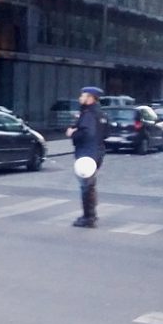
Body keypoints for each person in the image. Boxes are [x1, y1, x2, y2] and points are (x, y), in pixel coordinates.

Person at [66, 86, 108, 228]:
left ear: (90, 98)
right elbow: (106, 134)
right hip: (97, 152)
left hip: (87, 154)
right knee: (90, 185)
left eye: (83, 95)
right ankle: (91, 215)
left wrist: (72, 133)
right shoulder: (100, 113)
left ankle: (88, 217)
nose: (80, 98)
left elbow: (86, 133)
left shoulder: (89, 113)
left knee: (86, 186)